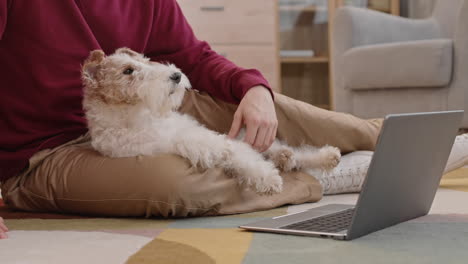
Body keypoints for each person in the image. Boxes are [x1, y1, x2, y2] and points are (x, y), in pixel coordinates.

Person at [1, 0, 466, 240]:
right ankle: (329, 176)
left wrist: (254, 90)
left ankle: (399, 141)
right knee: (174, 185)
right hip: (46, 152)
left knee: (261, 107)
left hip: (142, 107)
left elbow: (191, 56)